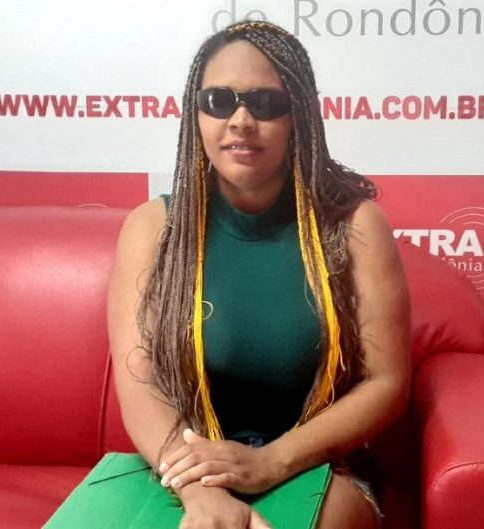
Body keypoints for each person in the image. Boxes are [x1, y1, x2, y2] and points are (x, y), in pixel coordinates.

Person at [107, 20, 410, 529]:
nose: (241, 120)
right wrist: (198, 490)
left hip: (319, 467)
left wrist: (270, 462)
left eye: (266, 103)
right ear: (196, 114)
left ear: (299, 117)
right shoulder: (153, 228)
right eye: (219, 101)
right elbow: (140, 383)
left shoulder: (354, 226)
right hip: (184, 470)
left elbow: (386, 383)